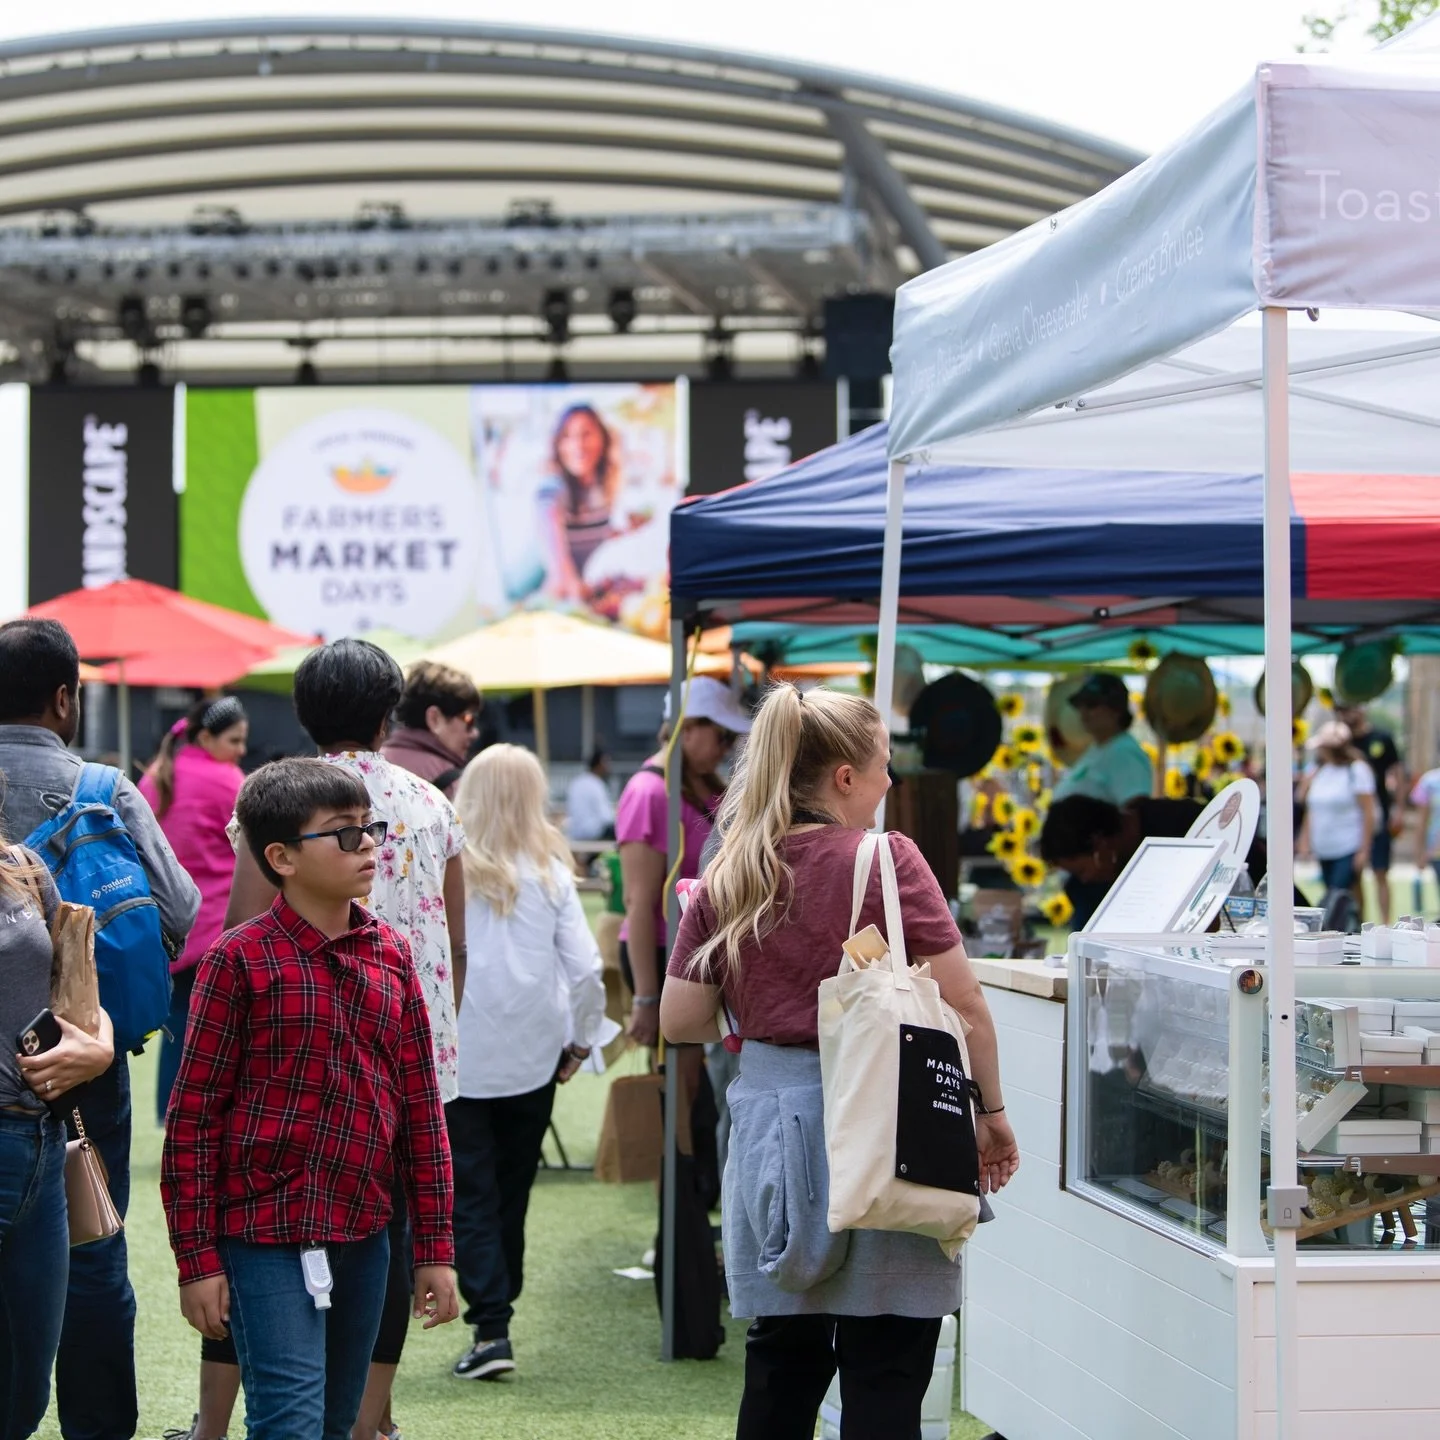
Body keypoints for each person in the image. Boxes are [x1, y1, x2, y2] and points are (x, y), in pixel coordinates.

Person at [661, 685, 1019, 1440]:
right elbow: (966, 1006)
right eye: (883, 764)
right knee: (888, 1367)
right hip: (894, 1119)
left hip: (775, 1125)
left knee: (781, 1363)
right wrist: (990, 1114)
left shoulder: (732, 870)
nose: (891, 779)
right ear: (846, 777)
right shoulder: (887, 861)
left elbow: (680, 1021)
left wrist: (759, 995)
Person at [199, 639, 466, 1440]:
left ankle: (216, 1419)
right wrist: (442, 1029)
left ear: (305, 711)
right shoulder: (431, 801)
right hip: (406, 1043)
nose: (363, 844)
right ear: (390, 712)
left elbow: (243, 920)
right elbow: (455, 941)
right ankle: (368, 1420)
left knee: (275, 1218)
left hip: (294, 1042)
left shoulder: (281, 796)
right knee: (381, 1232)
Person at [0, 617, 200, 1440]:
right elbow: (179, 909)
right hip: (85, 1052)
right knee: (92, 1245)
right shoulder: (102, 788)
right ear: (64, 698)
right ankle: (97, 1426)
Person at [447, 745, 608, 1382]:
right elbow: (587, 971)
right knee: (512, 1192)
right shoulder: (552, 873)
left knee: (470, 1193)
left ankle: (491, 1325)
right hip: (536, 1055)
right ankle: (496, 1316)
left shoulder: (445, 869)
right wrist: (582, 1041)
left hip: (459, 1054)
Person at [0, 838, 115, 1440]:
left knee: (24, 1387)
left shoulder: (21, 867)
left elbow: (76, 994)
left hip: (40, 1146)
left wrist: (98, 1047)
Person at [615, 675, 751, 1047]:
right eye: (723, 736)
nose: (727, 748)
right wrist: (646, 996)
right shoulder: (648, 792)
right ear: (686, 729)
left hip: (700, 950)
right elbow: (638, 902)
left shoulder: (709, 786)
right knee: (681, 1072)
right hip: (664, 952)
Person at [139, 696, 249, 1125]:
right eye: (234, 740)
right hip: (219, 925)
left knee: (177, 1024)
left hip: (166, 928)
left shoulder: (154, 779)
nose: (242, 750)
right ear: (206, 737)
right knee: (219, 1031)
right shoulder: (229, 781)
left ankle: (170, 1116)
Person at [542, 405, 618, 602]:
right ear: (558, 444)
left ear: (602, 438)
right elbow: (561, 572)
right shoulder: (549, 492)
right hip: (552, 601)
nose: (578, 445)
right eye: (567, 436)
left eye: (586, 434)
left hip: (583, 595)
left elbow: (590, 537)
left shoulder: (600, 489)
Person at [1337, 704, 1404, 920]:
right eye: (1342, 710)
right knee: (1354, 875)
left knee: (1380, 871)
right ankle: (1360, 924)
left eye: (1349, 709)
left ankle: (1385, 924)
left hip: (1378, 815)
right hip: (1349, 819)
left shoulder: (1381, 738)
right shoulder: (1341, 742)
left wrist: (1399, 808)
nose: (1346, 714)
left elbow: (1397, 772)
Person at [380, 663, 482, 800]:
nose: (475, 733)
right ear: (435, 718)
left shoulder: (370, 762)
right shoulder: (454, 785)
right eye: (469, 719)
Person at [1051, 673, 1154, 808]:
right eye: (1080, 705)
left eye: (1092, 705)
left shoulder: (1124, 753)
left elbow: (1136, 812)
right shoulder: (1100, 748)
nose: (1083, 712)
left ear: (1115, 709)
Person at [1298, 720, 1377, 895]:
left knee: (1338, 893)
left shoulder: (1357, 771)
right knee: (1334, 893)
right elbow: (1311, 809)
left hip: (1348, 846)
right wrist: (1304, 840)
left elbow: (1368, 811)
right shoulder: (1320, 772)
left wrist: (1364, 849)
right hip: (1324, 848)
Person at [564, 749, 615, 842]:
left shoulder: (577, 782)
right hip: (594, 833)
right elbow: (606, 817)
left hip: (575, 832)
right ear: (599, 764)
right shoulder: (596, 784)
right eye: (606, 762)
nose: (609, 766)